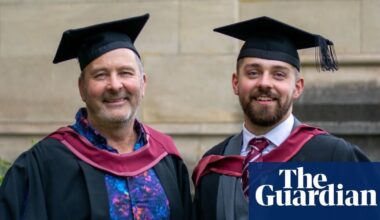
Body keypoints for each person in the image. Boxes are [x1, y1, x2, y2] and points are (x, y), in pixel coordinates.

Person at [0, 14, 192, 220]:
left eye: (125, 73)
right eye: (100, 75)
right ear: (82, 88)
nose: (115, 85)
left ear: (143, 83)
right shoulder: (43, 163)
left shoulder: (166, 156)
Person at [192, 16, 370, 220]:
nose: (265, 83)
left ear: (298, 87)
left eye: (279, 75)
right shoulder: (214, 164)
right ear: (235, 83)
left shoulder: (335, 158)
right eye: (252, 73)